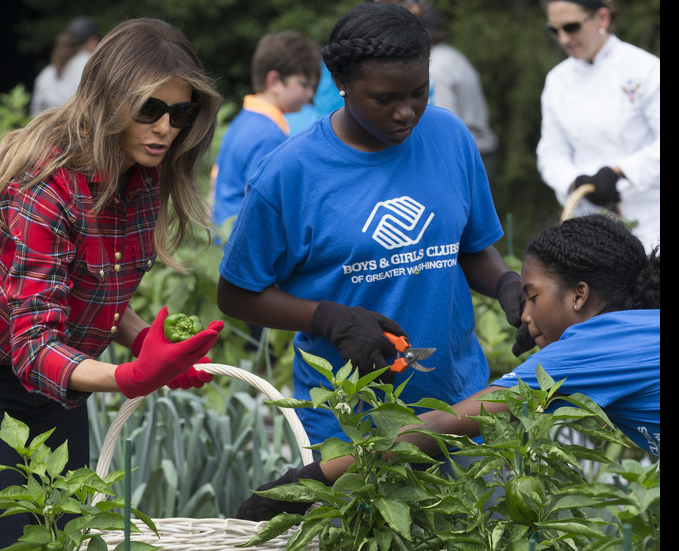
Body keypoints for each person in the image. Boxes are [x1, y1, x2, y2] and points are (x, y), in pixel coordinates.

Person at [0, 18, 224, 550]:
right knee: (6, 542)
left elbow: (91, 288)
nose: (166, 127)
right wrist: (131, 375)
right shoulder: (46, 182)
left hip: (60, 378)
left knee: (68, 538)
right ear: (109, 100)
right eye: (150, 109)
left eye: (181, 111)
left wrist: (147, 341)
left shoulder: (143, 174)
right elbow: (31, 347)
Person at [217, 3, 527, 451]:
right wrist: (327, 318)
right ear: (340, 83)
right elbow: (236, 293)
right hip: (348, 422)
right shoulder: (289, 173)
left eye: (419, 93)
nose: (406, 113)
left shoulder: (450, 137)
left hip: (458, 404)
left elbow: (470, 248)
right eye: (384, 99)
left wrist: (505, 283)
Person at [237, 213, 660, 520]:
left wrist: (305, 480)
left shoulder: (592, 345)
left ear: (579, 295)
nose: (525, 315)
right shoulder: (635, 330)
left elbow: (441, 425)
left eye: (531, 296)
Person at [536, 0, 660, 252]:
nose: (563, 39)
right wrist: (575, 182)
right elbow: (550, 151)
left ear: (602, 18)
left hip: (647, 217)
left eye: (571, 27)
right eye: (555, 30)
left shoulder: (646, 69)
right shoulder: (557, 80)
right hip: (586, 220)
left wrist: (619, 172)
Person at [210, 29, 321, 234]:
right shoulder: (269, 135)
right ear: (274, 81)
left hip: (222, 235)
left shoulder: (242, 120)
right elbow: (266, 208)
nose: (309, 94)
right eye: (304, 84)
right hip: (243, 241)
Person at [418, 5, 500, 188]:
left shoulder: (435, 68)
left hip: (463, 158)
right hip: (480, 153)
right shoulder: (455, 57)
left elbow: (446, 124)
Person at [30, 16, 102, 114]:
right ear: (93, 41)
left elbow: (35, 113)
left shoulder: (46, 72)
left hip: (45, 127)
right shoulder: (90, 65)